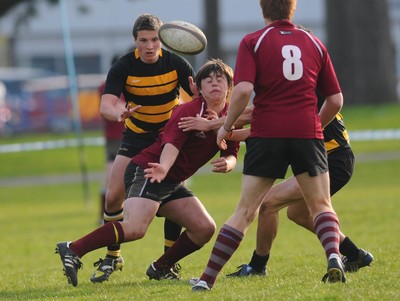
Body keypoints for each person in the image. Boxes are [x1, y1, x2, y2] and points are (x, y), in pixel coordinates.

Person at [192, 0, 347, 291]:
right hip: (307, 134)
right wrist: (313, 125)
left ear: (263, 10)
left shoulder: (253, 41)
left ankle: (206, 280)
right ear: (293, 9)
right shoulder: (314, 43)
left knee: (245, 211)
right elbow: (336, 100)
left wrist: (226, 126)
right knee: (320, 205)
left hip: (267, 135)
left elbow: (244, 89)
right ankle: (335, 257)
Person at [55, 58, 240, 287]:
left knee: (204, 228)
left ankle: (160, 267)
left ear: (230, 88)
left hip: (170, 180)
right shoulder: (189, 110)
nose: (214, 84)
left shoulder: (231, 116)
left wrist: (229, 163)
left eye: (220, 80)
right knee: (135, 228)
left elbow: (232, 150)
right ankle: (73, 249)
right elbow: (171, 143)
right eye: (208, 80)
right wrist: (163, 166)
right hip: (150, 169)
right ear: (198, 88)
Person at [221, 95, 374, 280]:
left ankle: (257, 267)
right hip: (329, 158)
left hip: (331, 159)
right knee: (298, 214)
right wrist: (221, 126)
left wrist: (218, 129)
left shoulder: (295, 91)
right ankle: (355, 255)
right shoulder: (299, 85)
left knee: (268, 203)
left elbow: (253, 117)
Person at [93, 13, 195, 283]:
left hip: (170, 138)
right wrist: (118, 113)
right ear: (135, 41)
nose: (149, 46)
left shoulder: (177, 64)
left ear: (162, 39)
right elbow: (106, 104)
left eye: (153, 40)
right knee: (114, 196)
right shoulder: (124, 66)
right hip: (135, 137)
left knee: (175, 197)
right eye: (143, 40)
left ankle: (166, 263)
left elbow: (197, 98)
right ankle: (113, 257)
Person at [98, 56, 125, 224]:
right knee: (110, 177)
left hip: (135, 136)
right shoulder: (106, 86)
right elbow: (112, 107)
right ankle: (103, 216)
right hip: (114, 139)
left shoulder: (134, 83)